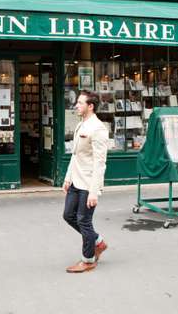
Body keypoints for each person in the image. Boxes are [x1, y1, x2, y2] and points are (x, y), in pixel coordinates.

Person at [62, 90, 109, 273]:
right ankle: (97, 242)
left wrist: (94, 191)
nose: (76, 105)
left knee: (83, 221)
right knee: (68, 215)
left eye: (80, 103)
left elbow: (100, 162)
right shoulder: (81, 125)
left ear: (90, 106)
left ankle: (88, 260)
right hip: (75, 180)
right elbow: (75, 155)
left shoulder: (98, 129)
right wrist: (67, 178)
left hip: (89, 183)